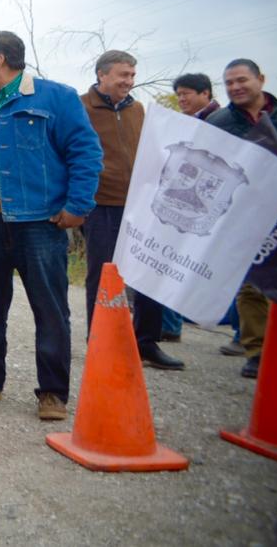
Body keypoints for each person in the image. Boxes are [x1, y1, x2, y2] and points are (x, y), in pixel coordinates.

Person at [0, 31, 102, 421]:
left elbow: (85, 152)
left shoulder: (56, 98)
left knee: (49, 308)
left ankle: (52, 392)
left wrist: (78, 206)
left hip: (40, 224)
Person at [79, 51, 183, 370]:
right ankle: (101, 340)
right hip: (100, 203)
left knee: (148, 272)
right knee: (104, 274)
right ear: (102, 75)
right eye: (123, 74)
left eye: (133, 75)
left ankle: (146, 343)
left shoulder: (138, 109)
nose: (129, 81)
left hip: (141, 203)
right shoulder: (81, 107)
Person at [206, 58, 277, 380]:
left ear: (260, 79)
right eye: (229, 83)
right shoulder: (218, 123)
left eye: (241, 80)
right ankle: (256, 350)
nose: (235, 87)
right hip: (247, 215)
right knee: (252, 283)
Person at [165, 72, 222, 345]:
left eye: (186, 93)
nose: (182, 99)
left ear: (206, 94)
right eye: (179, 95)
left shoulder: (219, 123)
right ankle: (172, 322)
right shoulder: (188, 123)